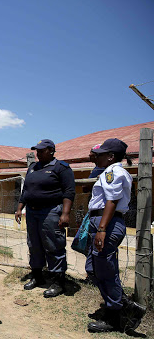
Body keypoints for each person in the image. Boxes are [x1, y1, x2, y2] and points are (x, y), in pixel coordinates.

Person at [85, 138, 146, 333]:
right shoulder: (108, 171)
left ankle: (116, 314)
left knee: (106, 272)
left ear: (111, 157)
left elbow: (111, 200)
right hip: (101, 221)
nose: (96, 156)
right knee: (94, 268)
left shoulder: (114, 172)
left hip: (107, 223)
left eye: (101, 153)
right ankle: (123, 307)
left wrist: (102, 228)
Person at [15, 139, 75, 298]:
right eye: (37, 151)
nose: (38, 153)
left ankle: (58, 282)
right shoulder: (33, 168)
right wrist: (20, 208)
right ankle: (37, 276)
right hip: (32, 213)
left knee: (53, 245)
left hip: (51, 212)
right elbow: (26, 190)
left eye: (41, 151)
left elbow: (69, 192)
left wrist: (65, 213)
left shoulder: (61, 168)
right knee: (34, 245)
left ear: (51, 151)